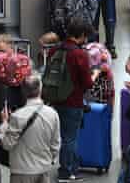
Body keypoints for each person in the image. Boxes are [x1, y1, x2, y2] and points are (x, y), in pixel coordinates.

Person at [47, 18, 95, 182]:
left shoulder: (54, 50)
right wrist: (94, 75)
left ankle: (72, 167)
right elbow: (87, 83)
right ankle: (66, 172)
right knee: (70, 137)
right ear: (81, 35)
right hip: (73, 101)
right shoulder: (79, 54)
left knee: (64, 136)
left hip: (55, 99)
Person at [0, 74, 61, 183]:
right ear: (40, 89)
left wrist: (4, 124)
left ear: (23, 91)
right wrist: (50, 160)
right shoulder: (52, 114)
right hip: (43, 168)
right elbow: (56, 144)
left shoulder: (17, 116)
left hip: (22, 170)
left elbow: (7, 144)